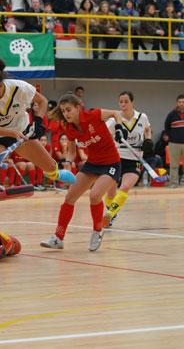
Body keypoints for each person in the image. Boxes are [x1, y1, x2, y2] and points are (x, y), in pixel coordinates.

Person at [0, 57, 76, 228]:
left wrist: (39, 121)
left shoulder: (20, 88)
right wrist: (13, 133)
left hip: (22, 132)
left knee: (49, 166)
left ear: (0, 86)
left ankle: (55, 174)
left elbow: (43, 101)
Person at [40, 93, 126, 252]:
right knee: (70, 197)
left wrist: (120, 127)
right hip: (92, 164)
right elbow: (71, 153)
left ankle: (98, 230)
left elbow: (116, 113)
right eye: (63, 111)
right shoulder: (69, 128)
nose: (66, 114)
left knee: (94, 195)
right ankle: (58, 238)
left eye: (68, 110)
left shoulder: (94, 115)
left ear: (78, 107)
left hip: (111, 164)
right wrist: (66, 168)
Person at [103, 91, 151, 227]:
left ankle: (110, 214)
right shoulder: (114, 120)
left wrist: (148, 140)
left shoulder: (142, 117)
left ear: (132, 102)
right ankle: (111, 210)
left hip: (134, 157)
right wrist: (112, 140)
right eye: (121, 102)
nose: (123, 104)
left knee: (125, 187)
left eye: (126, 101)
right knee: (111, 190)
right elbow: (104, 135)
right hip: (116, 157)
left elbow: (147, 130)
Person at [164, 94, 184, 187]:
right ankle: (173, 184)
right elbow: (166, 127)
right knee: (174, 165)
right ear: (177, 103)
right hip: (174, 143)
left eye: (183, 102)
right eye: (180, 102)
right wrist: (171, 136)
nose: (181, 104)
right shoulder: (171, 114)